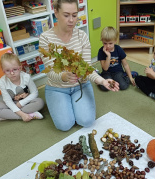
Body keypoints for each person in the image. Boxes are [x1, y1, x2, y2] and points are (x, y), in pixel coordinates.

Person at [39, 0, 119, 131]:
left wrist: (102, 81)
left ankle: (70, 105)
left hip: (80, 86)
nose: (71, 20)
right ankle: (59, 102)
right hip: (57, 87)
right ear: (56, 12)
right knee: (64, 125)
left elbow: (87, 68)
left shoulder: (82, 36)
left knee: (86, 121)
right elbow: (50, 71)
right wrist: (65, 76)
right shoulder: (45, 38)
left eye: (74, 15)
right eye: (66, 15)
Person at [0, 52, 44, 121]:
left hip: (26, 101)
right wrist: (22, 114)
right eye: (7, 71)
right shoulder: (2, 81)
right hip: (12, 103)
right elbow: (7, 100)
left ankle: (8, 115)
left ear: (20, 67)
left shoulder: (26, 77)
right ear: (3, 71)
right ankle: (29, 115)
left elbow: (34, 93)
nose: (12, 73)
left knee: (40, 102)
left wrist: (21, 103)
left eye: (15, 69)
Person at [97, 26, 137, 91]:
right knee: (104, 88)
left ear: (115, 41)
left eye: (110, 43)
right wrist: (108, 56)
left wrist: (130, 77)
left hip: (118, 72)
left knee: (123, 86)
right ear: (102, 41)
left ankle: (127, 75)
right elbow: (105, 68)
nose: (107, 46)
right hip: (107, 73)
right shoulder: (101, 51)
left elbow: (125, 65)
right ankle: (99, 77)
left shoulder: (119, 49)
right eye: (105, 43)